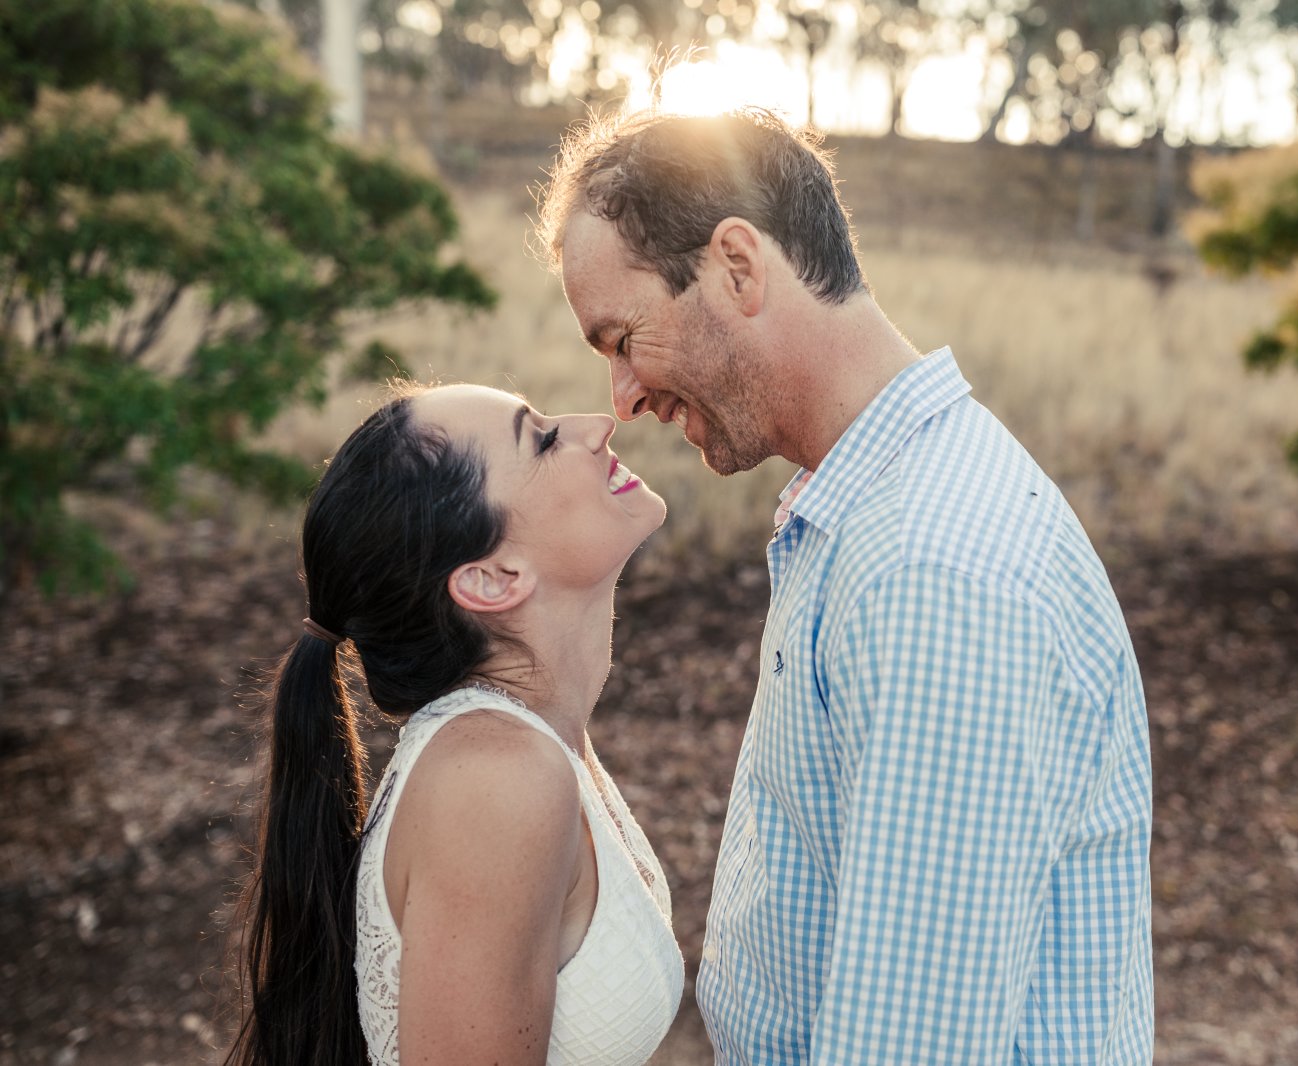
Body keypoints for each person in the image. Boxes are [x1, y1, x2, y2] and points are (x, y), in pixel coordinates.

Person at [537, 108, 1154, 1064]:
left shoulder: (931, 573)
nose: (622, 398)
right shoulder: (871, 509)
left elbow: (911, 1045)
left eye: (622, 339)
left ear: (737, 266)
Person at [227, 384, 683, 1066]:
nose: (596, 425)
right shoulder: (496, 780)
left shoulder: (531, 738)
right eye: (543, 441)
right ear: (492, 578)